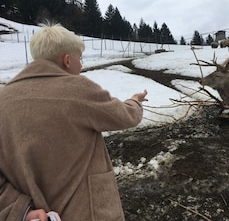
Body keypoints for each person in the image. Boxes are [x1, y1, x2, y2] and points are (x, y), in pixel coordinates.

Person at [0, 23, 148, 221]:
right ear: (67, 60)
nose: (82, 65)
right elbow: (125, 116)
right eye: (80, 58)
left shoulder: (4, 99)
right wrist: (135, 101)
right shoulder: (78, 89)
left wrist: (20, 210)